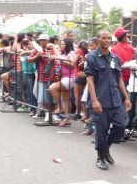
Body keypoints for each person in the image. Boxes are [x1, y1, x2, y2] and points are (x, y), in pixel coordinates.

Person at [84, 30, 131, 170]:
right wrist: (94, 100)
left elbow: (119, 79)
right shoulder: (91, 58)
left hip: (115, 99)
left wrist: (126, 97)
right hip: (100, 99)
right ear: (98, 40)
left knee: (120, 125)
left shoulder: (115, 58)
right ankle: (100, 156)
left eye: (108, 38)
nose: (106, 40)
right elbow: (90, 80)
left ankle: (105, 148)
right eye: (103, 38)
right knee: (101, 130)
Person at [49, 38, 78, 127]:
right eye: (60, 44)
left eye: (63, 44)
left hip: (70, 77)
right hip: (63, 77)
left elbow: (73, 65)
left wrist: (62, 61)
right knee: (65, 98)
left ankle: (60, 106)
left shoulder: (72, 53)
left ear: (68, 45)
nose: (61, 46)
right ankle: (67, 118)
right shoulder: (62, 53)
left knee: (52, 88)